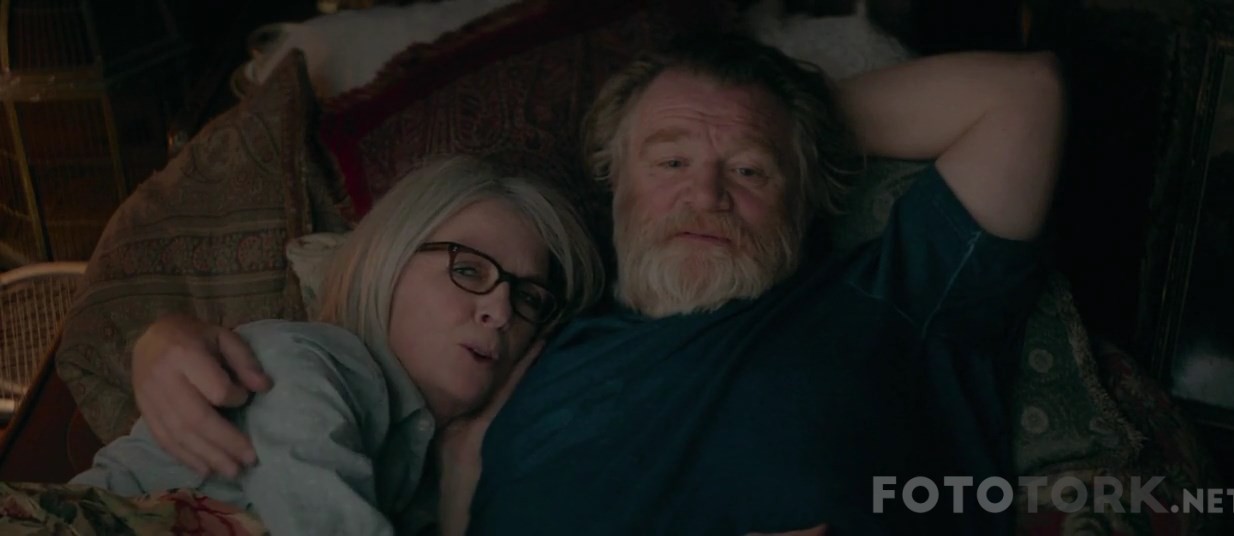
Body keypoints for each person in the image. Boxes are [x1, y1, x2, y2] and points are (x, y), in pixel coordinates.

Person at [129, 33, 1063, 534]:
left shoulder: (885, 298)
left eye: (749, 172)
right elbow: (312, 392)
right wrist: (161, 342)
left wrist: (789, 126)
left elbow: (1024, 96)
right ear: (613, 177)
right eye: (669, 160)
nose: (706, 193)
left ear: (805, 191)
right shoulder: (527, 341)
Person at [69, 156, 604, 535]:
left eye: (528, 296)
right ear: (389, 262)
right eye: (467, 269)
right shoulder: (307, 362)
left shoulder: (428, 464)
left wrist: (460, 487)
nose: (501, 311)